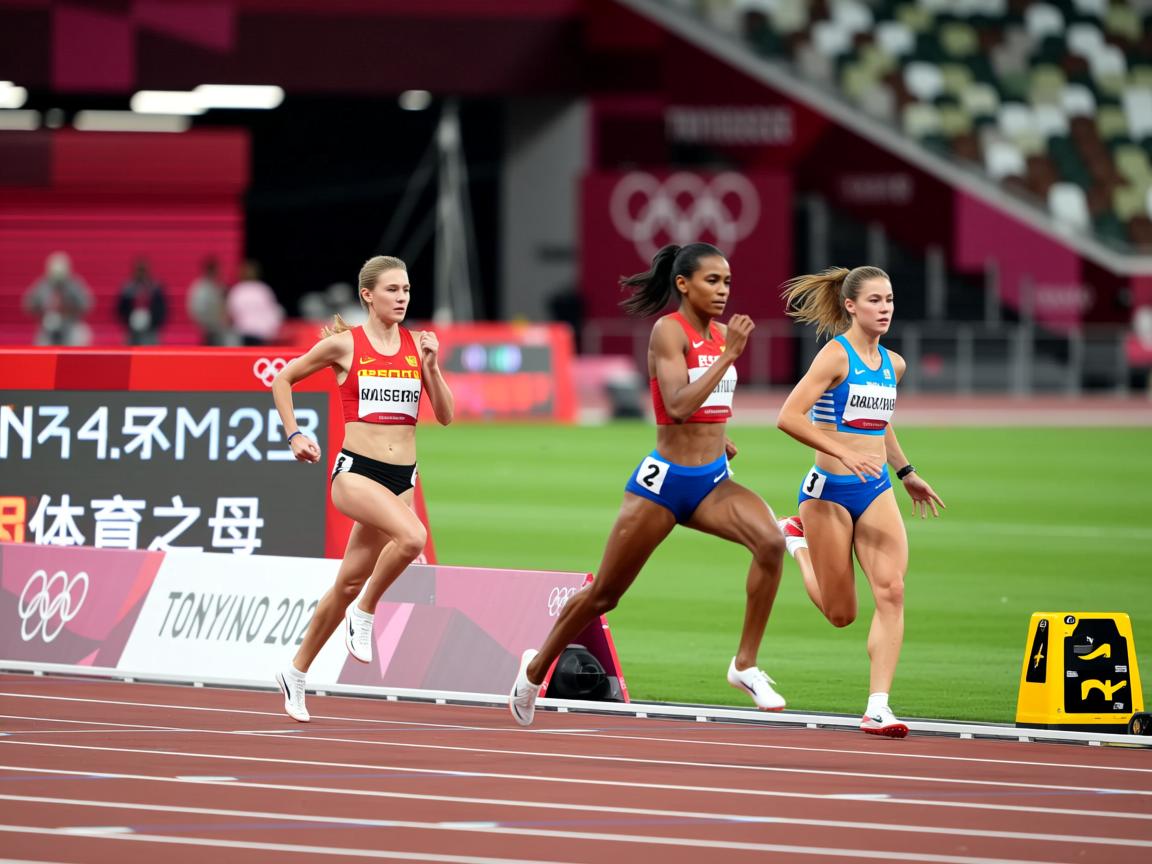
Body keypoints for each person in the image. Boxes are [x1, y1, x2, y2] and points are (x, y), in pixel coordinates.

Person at [509, 242, 788, 726]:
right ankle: (534, 670)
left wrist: (721, 438)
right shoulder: (668, 331)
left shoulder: (722, 334)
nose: (723, 290)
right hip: (663, 486)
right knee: (605, 596)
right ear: (683, 284)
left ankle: (744, 665)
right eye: (712, 281)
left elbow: (707, 406)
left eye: (727, 282)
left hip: (712, 482)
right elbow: (677, 406)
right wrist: (730, 357)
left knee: (770, 542)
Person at [270, 255, 454, 722]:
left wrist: (431, 365)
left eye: (407, 290)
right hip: (356, 473)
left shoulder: (417, 346)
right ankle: (367, 611)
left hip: (402, 478)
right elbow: (283, 379)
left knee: (347, 582)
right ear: (367, 295)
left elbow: (447, 415)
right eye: (392, 290)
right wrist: (294, 434)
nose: (402, 298)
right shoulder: (345, 346)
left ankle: (295, 671)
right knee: (413, 539)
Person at [774, 266, 945, 738]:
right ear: (851, 306)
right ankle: (796, 542)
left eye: (889, 299)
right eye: (874, 300)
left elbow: (881, 421)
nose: (884, 308)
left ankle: (877, 707)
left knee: (892, 591)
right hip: (828, 493)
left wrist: (906, 472)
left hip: (876, 491)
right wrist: (843, 451)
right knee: (841, 613)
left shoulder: (895, 364)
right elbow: (788, 416)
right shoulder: (835, 356)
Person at [23, 251, 93, 346]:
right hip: (47, 327)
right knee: (41, 342)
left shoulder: (75, 285)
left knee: (82, 335)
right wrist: (44, 312)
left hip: (71, 324)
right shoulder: (42, 285)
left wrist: (69, 307)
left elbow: (87, 304)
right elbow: (29, 304)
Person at [228, 260, 284, 346]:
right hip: (253, 333)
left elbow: (231, 314)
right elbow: (275, 312)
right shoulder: (262, 289)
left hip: (255, 333)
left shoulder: (239, 290)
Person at [116, 257, 168, 345]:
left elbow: (162, 309)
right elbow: (120, 309)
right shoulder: (127, 289)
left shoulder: (155, 289)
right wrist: (130, 320)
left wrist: (153, 321)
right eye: (139, 270)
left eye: (143, 270)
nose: (141, 273)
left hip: (151, 331)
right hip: (132, 331)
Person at [186, 256, 232, 346]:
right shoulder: (201, 288)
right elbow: (197, 310)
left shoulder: (219, 286)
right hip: (209, 331)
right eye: (217, 270)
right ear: (210, 270)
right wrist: (209, 325)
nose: (220, 272)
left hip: (220, 330)